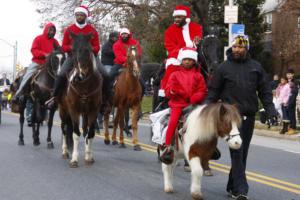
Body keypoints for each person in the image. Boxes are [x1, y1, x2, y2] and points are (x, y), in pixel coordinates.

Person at [205, 35, 277, 200]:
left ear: (247, 48)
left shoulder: (256, 68)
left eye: (241, 47)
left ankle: (232, 186)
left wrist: (270, 109)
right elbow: (213, 92)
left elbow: (265, 92)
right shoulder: (223, 68)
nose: (237, 50)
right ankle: (241, 190)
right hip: (230, 117)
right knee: (237, 151)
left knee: (242, 153)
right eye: (235, 47)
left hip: (249, 116)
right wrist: (205, 108)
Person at [159, 47, 207, 164]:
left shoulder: (198, 76)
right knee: (173, 121)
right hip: (178, 104)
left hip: (193, 104)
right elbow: (168, 89)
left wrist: (195, 97)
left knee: (206, 121)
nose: (187, 62)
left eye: (190, 60)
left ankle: (209, 146)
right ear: (181, 60)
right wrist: (173, 92)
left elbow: (202, 90)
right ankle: (167, 146)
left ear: (194, 61)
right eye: (185, 59)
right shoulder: (175, 74)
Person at [46, 5, 100, 107]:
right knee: (61, 74)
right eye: (77, 15)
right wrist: (72, 48)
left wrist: (90, 49)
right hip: (73, 57)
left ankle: (105, 100)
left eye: (81, 15)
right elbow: (64, 46)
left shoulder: (92, 30)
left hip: (89, 57)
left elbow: (97, 46)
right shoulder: (69, 29)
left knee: (104, 74)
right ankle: (54, 98)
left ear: (85, 16)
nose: (79, 17)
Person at [160, 5, 203, 95]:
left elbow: (199, 41)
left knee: (204, 66)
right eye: (175, 17)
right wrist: (184, 52)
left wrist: (196, 44)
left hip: (194, 54)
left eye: (179, 17)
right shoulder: (169, 31)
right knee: (171, 66)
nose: (176, 19)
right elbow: (170, 47)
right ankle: (168, 90)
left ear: (185, 17)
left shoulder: (196, 27)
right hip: (176, 56)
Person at [13, 23, 59, 101]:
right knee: (28, 75)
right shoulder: (38, 38)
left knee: (59, 74)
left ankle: (58, 96)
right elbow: (33, 50)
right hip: (38, 62)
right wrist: (44, 54)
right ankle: (19, 93)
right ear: (46, 30)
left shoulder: (54, 41)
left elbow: (59, 49)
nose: (52, 32)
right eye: (50, 30)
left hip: (49, 64)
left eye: (53, 31)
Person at [109, 27, 144, 95]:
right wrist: (129, 60)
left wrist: (134, 59)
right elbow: (119, 56)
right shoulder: (116, 45)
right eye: (122, 34)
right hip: (120, 64)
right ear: (120, 35)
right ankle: (110, 93)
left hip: (133, 64)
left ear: (129, 34)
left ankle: (140, 95)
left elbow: (139, 52)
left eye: (126, 34)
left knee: (142, 81)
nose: (124, 35)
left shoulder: (135, 42)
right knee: (110, 75)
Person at [286, 68, 298, 135]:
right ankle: (289, 127)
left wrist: (292, 101)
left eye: (290, 74)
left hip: (292, 100)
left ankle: (293, 128)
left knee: (292, 114)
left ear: (293, 74)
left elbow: (295, 91)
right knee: (288, 114)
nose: (288, 75)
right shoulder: (286, 81)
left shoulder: (295, 81)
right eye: (287, 74)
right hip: (286, 100)